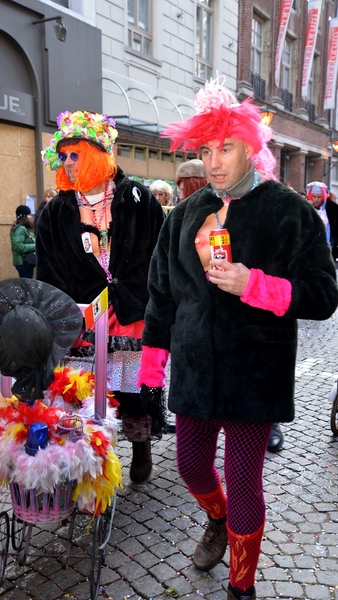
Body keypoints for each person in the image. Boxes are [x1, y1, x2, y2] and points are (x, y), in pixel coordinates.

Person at [138, 80, 338, 600]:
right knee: (188, 465)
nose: (215, 162)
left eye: (225, 147)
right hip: (196, 372)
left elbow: (323, 294)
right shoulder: (182, 214)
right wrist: (152, 369)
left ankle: (241, 587)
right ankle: (216, 519)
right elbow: (161, 294)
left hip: (255, 374)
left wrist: (256, 285)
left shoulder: (288, 211)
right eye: (205, 150)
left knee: (246, 483)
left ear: (252, 146)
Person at [37, 110, 165, 484]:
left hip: (131, 311)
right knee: (88, 393)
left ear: (96, 153)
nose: (67, 163)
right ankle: (94, 456)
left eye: (74, 154)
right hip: (82, 316)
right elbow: (47, 272)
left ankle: (140, 446)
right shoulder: (55, 212)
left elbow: (159, 258)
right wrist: (59, 313)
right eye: (62, 157)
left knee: (133, 390)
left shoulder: (139, 199)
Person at [10, 205, 36, 279]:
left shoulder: (24, 228)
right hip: (24, 263)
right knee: (26, 287)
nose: (31, 217)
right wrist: (36, 246)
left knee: (27, 286)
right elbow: (18, 246)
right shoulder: (21, 229)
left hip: (26, 262)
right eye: (29, 215)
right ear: (24, 216)